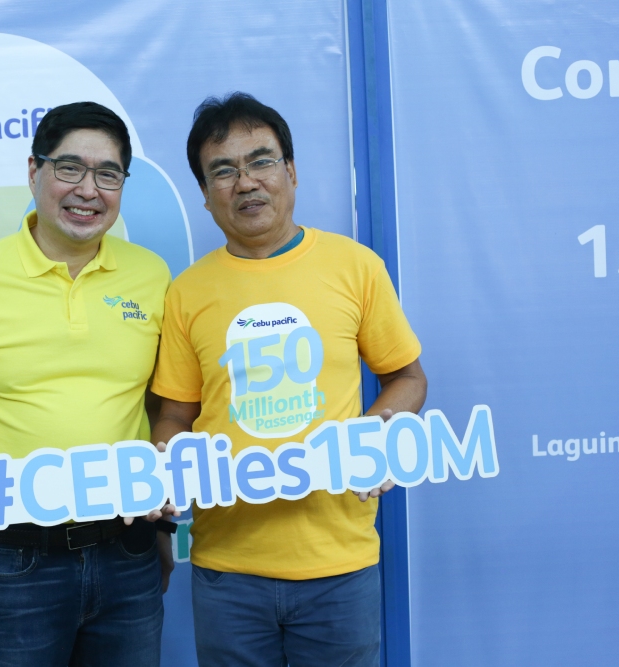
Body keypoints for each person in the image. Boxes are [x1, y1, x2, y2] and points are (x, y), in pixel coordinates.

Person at [150, 93, 427, 667]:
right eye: (222, 171)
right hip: (227, 569)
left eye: (261, 161)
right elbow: (174, 412)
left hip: (340, 565)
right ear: (204, 195)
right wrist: (171, 458)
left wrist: (376, 433)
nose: (245, 182)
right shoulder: (187, 292)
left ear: (292, 171)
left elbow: (407, 377)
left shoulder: (356, 267)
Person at [0, 101, 175, 667]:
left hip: (128, 551)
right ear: (34, 172)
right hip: (14, 557)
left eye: (108, 174)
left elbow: (162, 403)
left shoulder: (151, 276)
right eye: (69, 168)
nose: (88, 190)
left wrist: (164, 513)